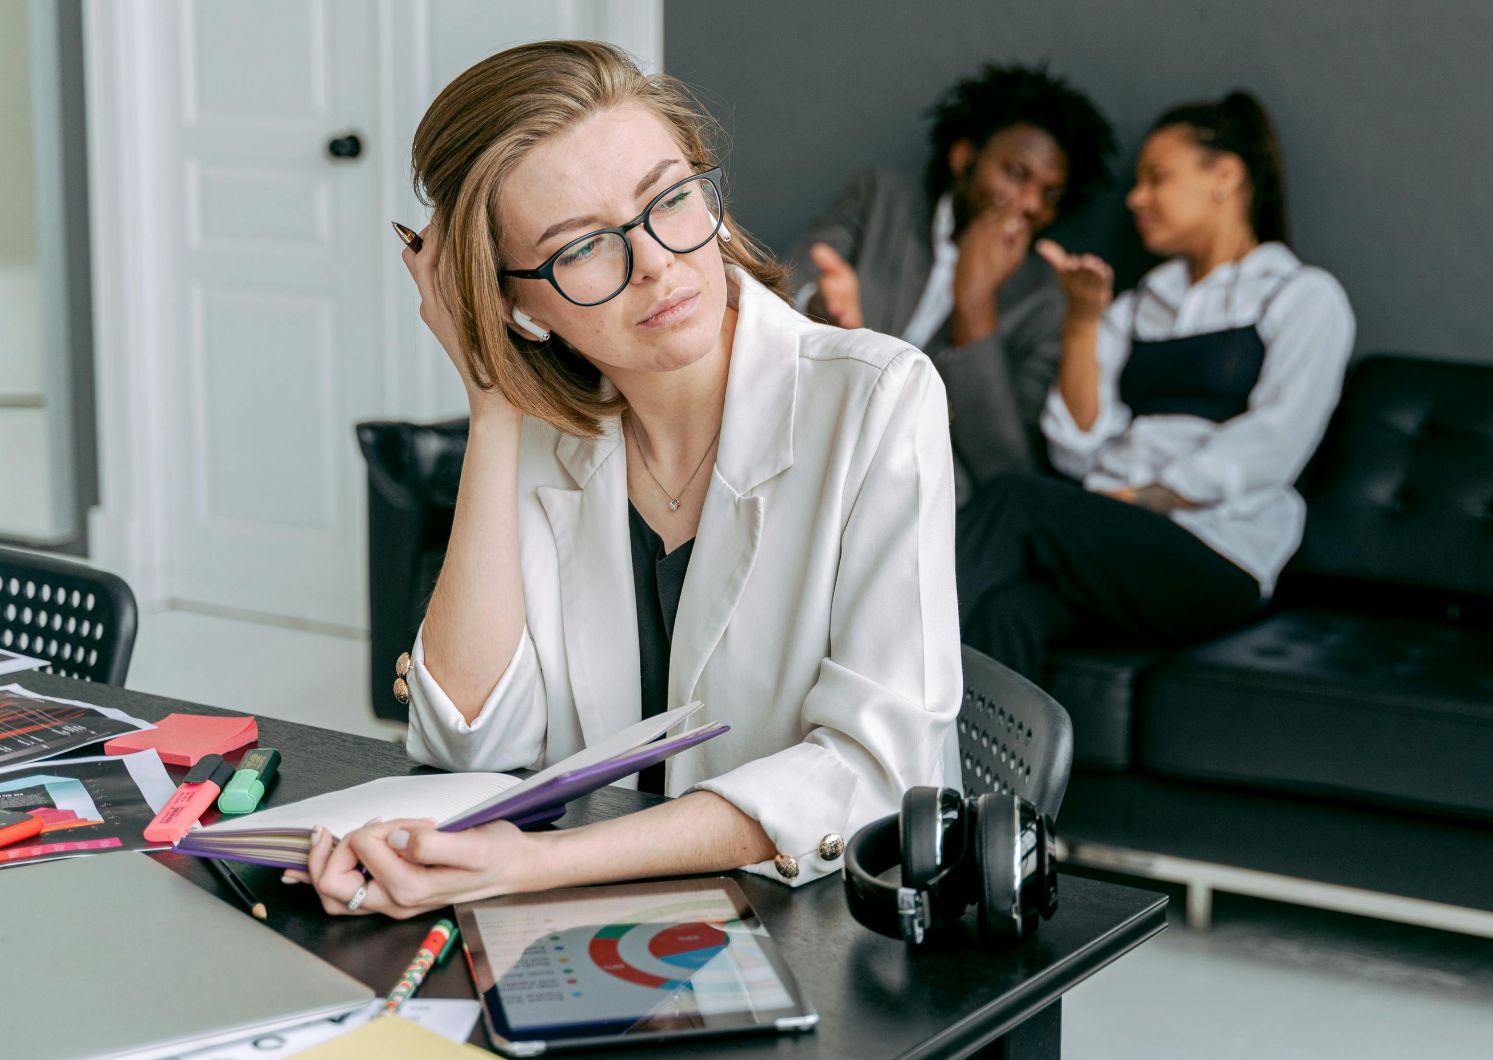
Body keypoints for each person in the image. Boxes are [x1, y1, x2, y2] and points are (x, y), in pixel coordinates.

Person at [288, 41, 961, 918]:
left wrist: (535, 867)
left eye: (670, 200)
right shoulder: (540, 438)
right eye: (583, 249)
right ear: (516, 303)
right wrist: (490, 402)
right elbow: (470, 742)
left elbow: (873, 774)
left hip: (830, 938)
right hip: (596, 936)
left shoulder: (877, 397)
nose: (655, 263)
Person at [957, 91, 1355, 681]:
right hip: (1116, 545)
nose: (1136, 198)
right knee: (1011, 614)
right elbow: (1077, 446)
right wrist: (1082, 323)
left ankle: (867, 669)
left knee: (1015, 500)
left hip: (1217, 557)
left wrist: (1139, 499)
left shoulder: (1301, 296)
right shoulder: (1141, 305)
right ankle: (963, 775)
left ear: (1225, 176)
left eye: (1156, 178)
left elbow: (1275, 442)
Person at [790, 62, 1114, 496]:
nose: (1030, 203)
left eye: (1049, 194)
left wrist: (975, 303)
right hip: (812, 433)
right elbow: (785, 289)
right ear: (964, 158)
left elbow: (1007, 468)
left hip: (924, 498)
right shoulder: (881, 200)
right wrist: (824, 313)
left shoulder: (1044, 301)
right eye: (1016, 173)